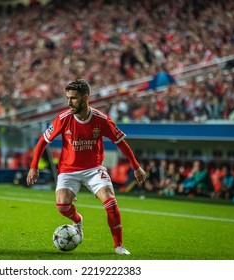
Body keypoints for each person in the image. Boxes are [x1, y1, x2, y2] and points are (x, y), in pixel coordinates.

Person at [26, 79, 146, 255]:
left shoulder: (101, 120)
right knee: (62, 206)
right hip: (68, 169)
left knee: (111, 202)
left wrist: (136, 166)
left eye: (73, 98)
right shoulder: (63, 119)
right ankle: (78, 220)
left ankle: (118, 246)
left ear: (85, 97)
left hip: (94, 168)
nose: (69, 103)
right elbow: (43, 140)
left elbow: (121, 143)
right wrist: (33, 166)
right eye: (67, 98)